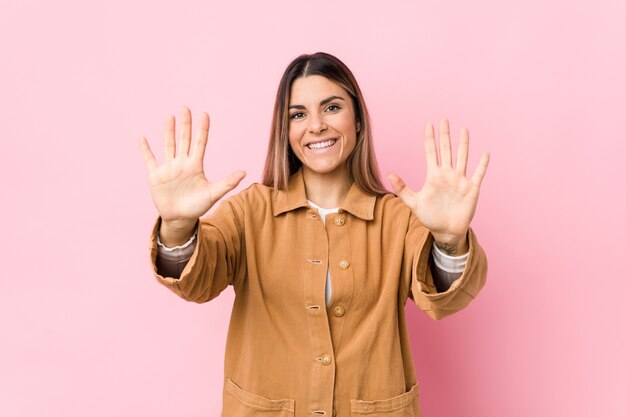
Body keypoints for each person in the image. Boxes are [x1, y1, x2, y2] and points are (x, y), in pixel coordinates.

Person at [139, 52, 490, 417]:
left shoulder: (398, 218)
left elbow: (443, 299)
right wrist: (178, 227)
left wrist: (450, 240)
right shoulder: (250, 212)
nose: (316, 125)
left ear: (358, 121)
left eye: (332, 107)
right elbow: (196, 281)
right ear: (286, 131)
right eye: (298, 114)